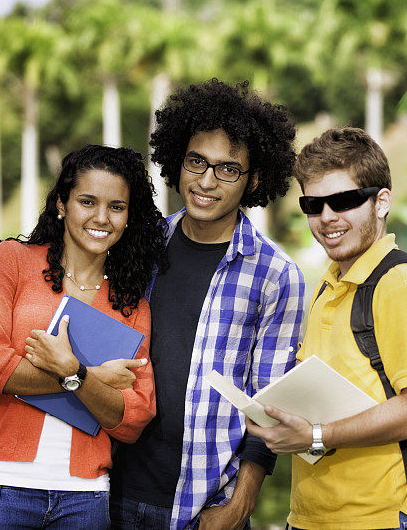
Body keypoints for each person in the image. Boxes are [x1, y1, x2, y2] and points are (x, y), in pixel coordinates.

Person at [109, 79, 305, 530]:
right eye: (197, 161)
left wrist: (239, 506)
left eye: (228, 169)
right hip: (108, 487)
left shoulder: (276, 275)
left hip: (205, 502)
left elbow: (268, 404)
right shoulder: (138, 247)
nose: (206, 181)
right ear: (178, 161)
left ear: (253, 179)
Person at [246, 127, 407, 530]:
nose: (327, 218)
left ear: (381, 202)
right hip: (310, 517)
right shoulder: (327, 280)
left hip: (379, 518)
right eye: (313, 204)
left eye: (344, 201)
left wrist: (316, 436)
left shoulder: (400, 283)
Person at [0, 144, 165, 529]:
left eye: (116, 207)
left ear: (128, 217)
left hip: (85, 496)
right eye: (87, 201)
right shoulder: (14, 262)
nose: (101, 217)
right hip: (1, 485)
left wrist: (74, 374)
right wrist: (95, 378)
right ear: (62, 204)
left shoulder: (131, 306)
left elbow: (135, 416)